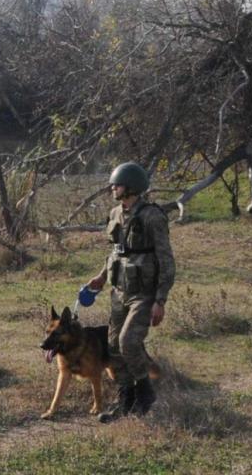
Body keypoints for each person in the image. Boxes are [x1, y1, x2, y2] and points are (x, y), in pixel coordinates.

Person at [86, 162, 175, 422]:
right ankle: (126, 400)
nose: (113, 188)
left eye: (118, 184)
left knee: (128, 343)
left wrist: (160, 300)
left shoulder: (152, 216)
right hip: (119, 290)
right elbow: (116, 251)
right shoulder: (115, 213)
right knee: (113, 346)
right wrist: (102, 276)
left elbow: (166, 259)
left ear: (132, 187)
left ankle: (145, 393)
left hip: (144, 293)